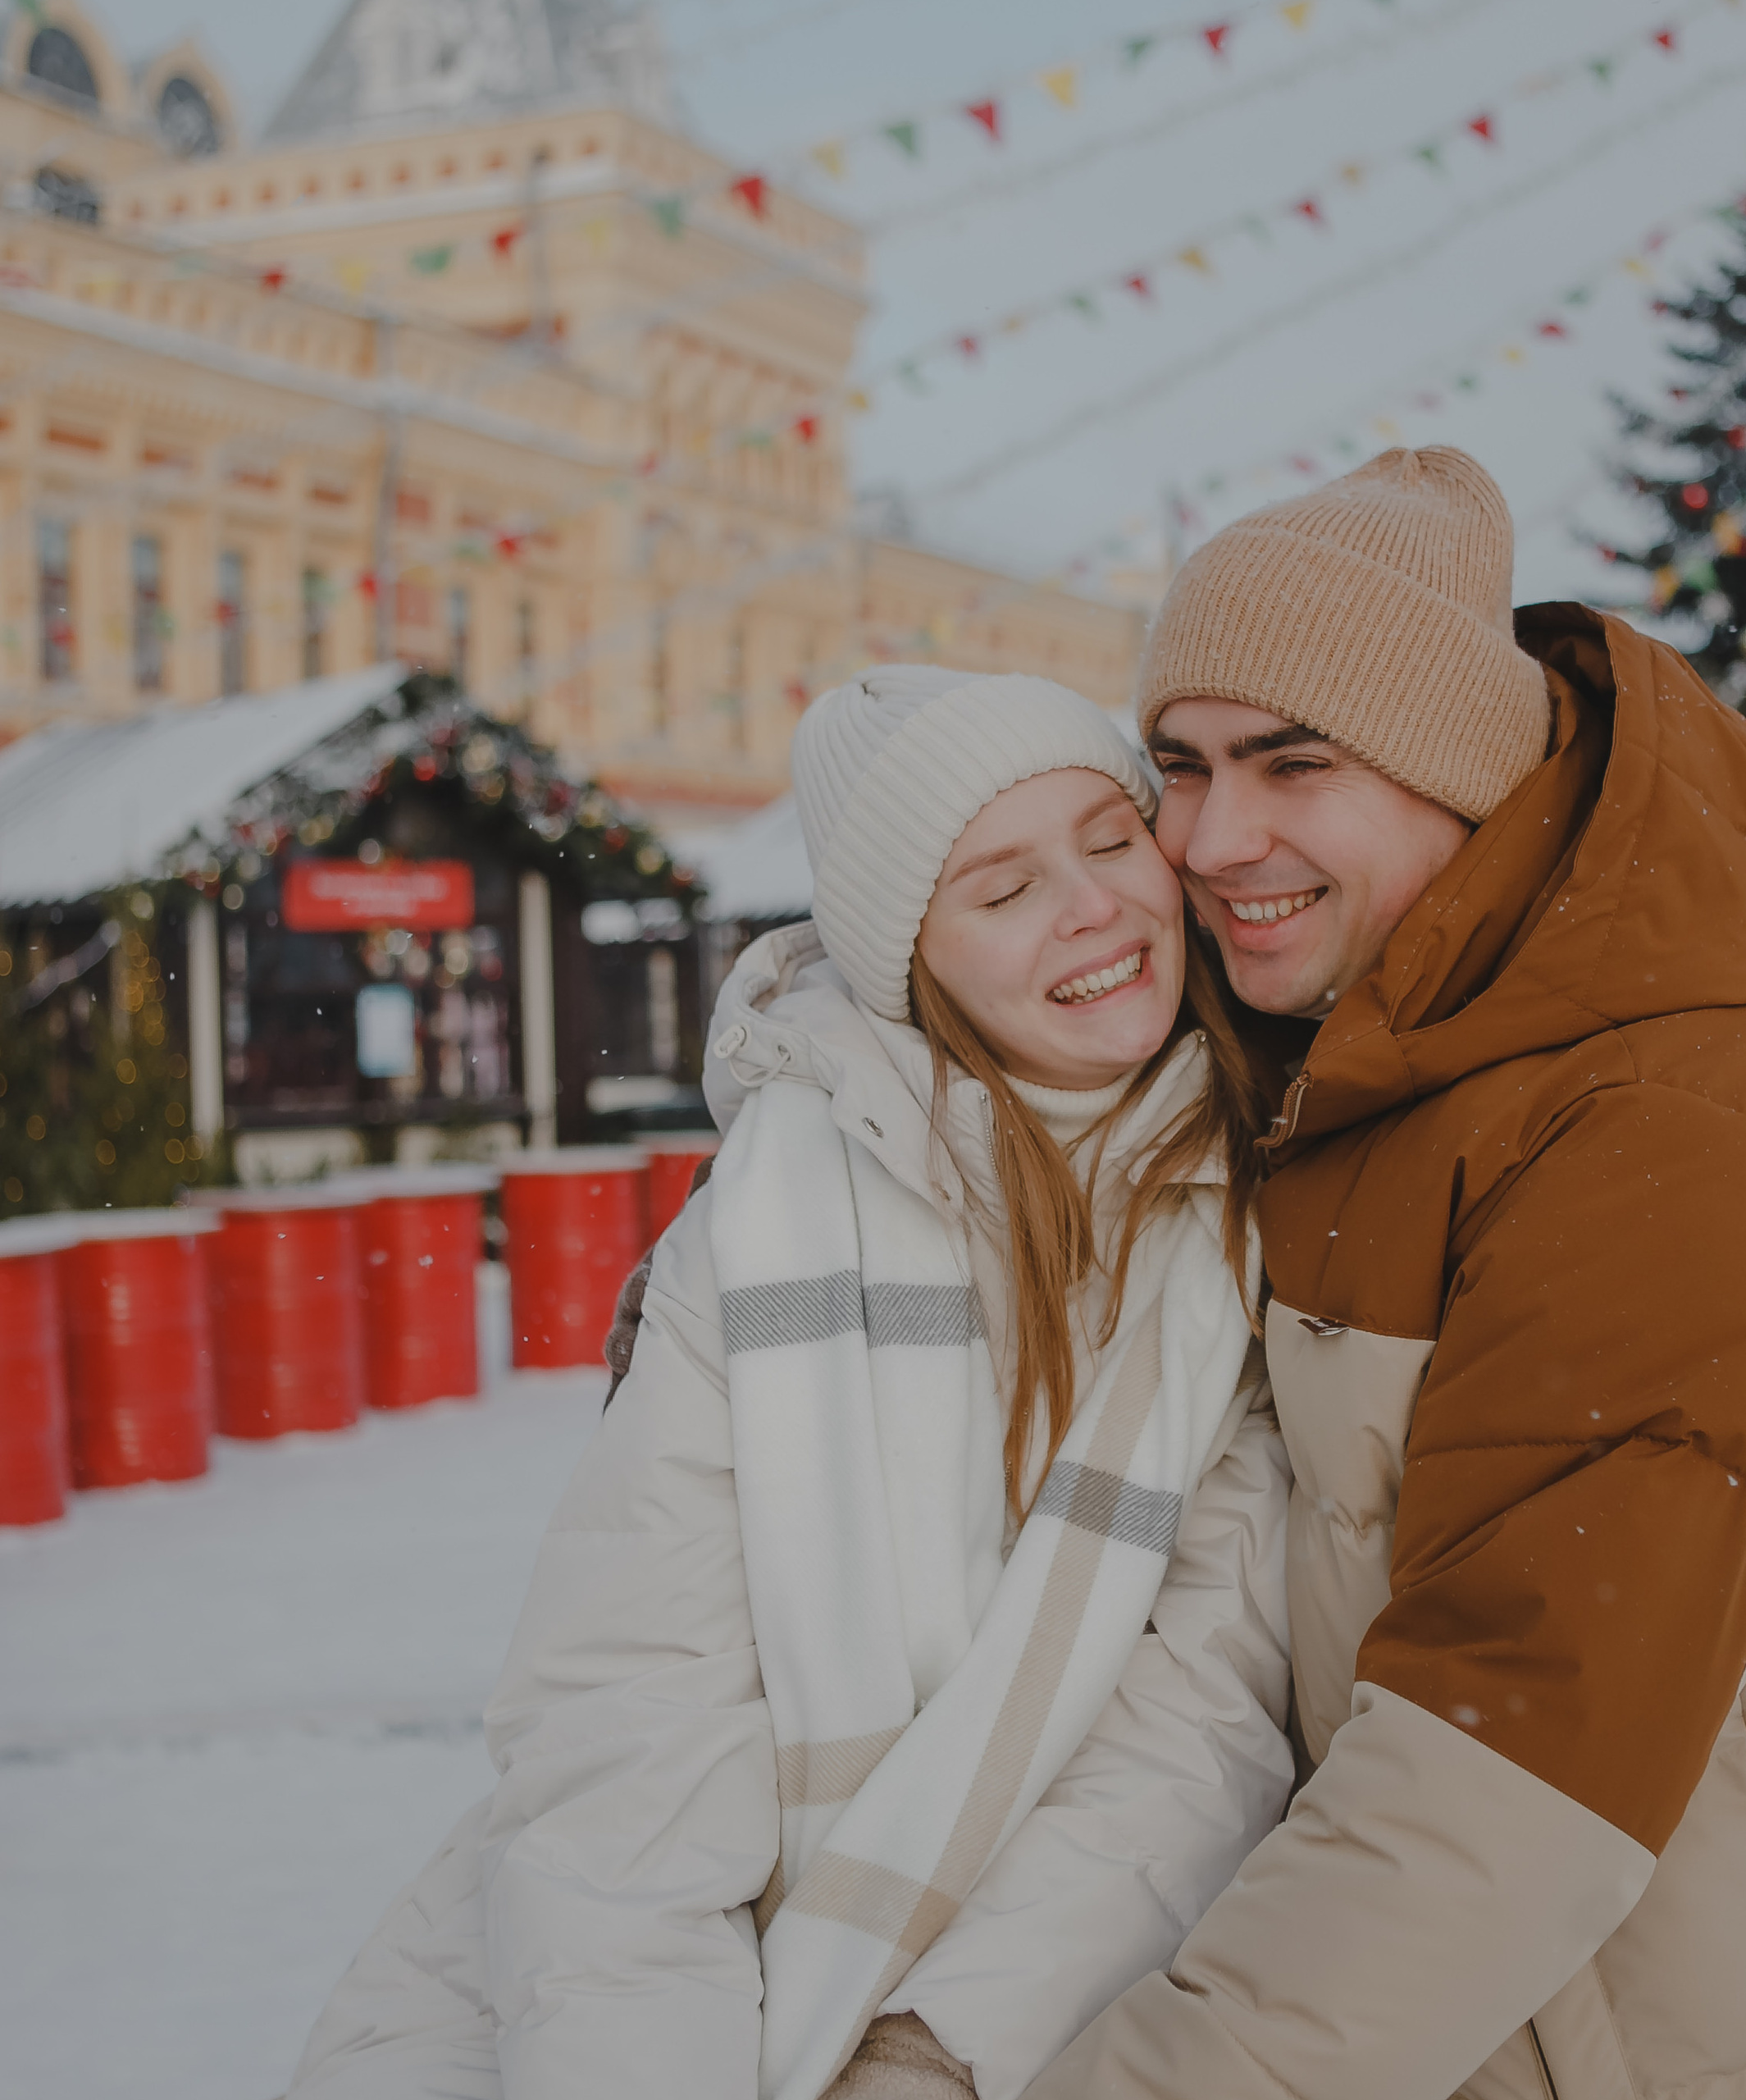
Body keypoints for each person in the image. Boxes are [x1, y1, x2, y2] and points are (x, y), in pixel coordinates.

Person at [1027, 447, 1746, 2100]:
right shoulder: (1370, 1077)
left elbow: (1488, 1791)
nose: (1210, 837)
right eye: (1180, 766)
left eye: (1291, 761)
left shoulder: (1672, 1135)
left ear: (1457, 773)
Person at [287, 669, 1295, 2100]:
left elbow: (1201, 1722)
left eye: (1112, 838)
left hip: (1031, 1997)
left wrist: (928, 2057)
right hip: (611, 1969)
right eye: (1004, 890)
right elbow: (632, 1717)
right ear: (912, 961)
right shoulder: (761, 1235)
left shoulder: (1261, 1219)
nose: (1092, 909)